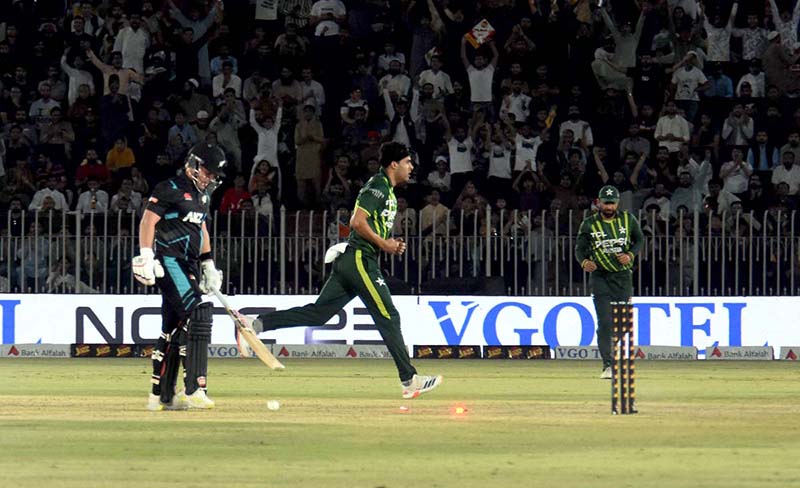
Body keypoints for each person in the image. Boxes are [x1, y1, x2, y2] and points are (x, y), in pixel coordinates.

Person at [235, 142, 443, 399]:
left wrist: (383, 243)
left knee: (319, 314)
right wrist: (385, 244)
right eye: (408, 162)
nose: (411, 167)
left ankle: (256, 324)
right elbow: (357, 221)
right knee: (389, 316)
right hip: (360, 260)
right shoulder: (378, 186)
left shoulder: (386, 189)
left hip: (353, 259)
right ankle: (409, 379)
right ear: (394, 164)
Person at [133, 142, 226, 411]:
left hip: (188, 264)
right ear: (194, 165)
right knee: (200, 312)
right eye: (207, 172)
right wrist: (146, 255)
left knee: (172, 326)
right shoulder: (169, 188)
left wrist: (208, 264)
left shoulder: (204, 196)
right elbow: (148, 221)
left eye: (213, 174)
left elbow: (202, 229)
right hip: (167, 261)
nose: (211, 178)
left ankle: (160, 396)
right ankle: (195, 387)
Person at [575, 185, 644, 379]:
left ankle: (610, 346)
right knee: (605, 322)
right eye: (605, 203)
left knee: (622, 324)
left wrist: (630, 254)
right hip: (600, 277)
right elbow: (579, 249)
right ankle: (608, 365)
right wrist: (584, 261)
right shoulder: (588, 224)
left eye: (612, 203)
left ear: (617, 203)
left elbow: (639, 240)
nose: (609, 207)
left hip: (622, 277)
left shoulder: (628, 220)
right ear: (598, 202)